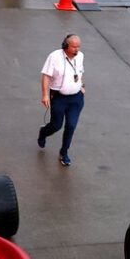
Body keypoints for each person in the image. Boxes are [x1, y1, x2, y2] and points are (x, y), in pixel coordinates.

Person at [38, 34, 85, 167]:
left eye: (78, 46)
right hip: (59, 97)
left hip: (76, 98)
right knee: (56, 125)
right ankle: (43, 132)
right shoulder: (54, 57)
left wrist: (82, 85)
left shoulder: (80, 56)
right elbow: (46, 76)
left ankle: (64, 153)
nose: (77, 49)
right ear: (65, 45)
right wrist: (45, 95)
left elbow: (80, 72)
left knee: (71, 126)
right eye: (74, 47)